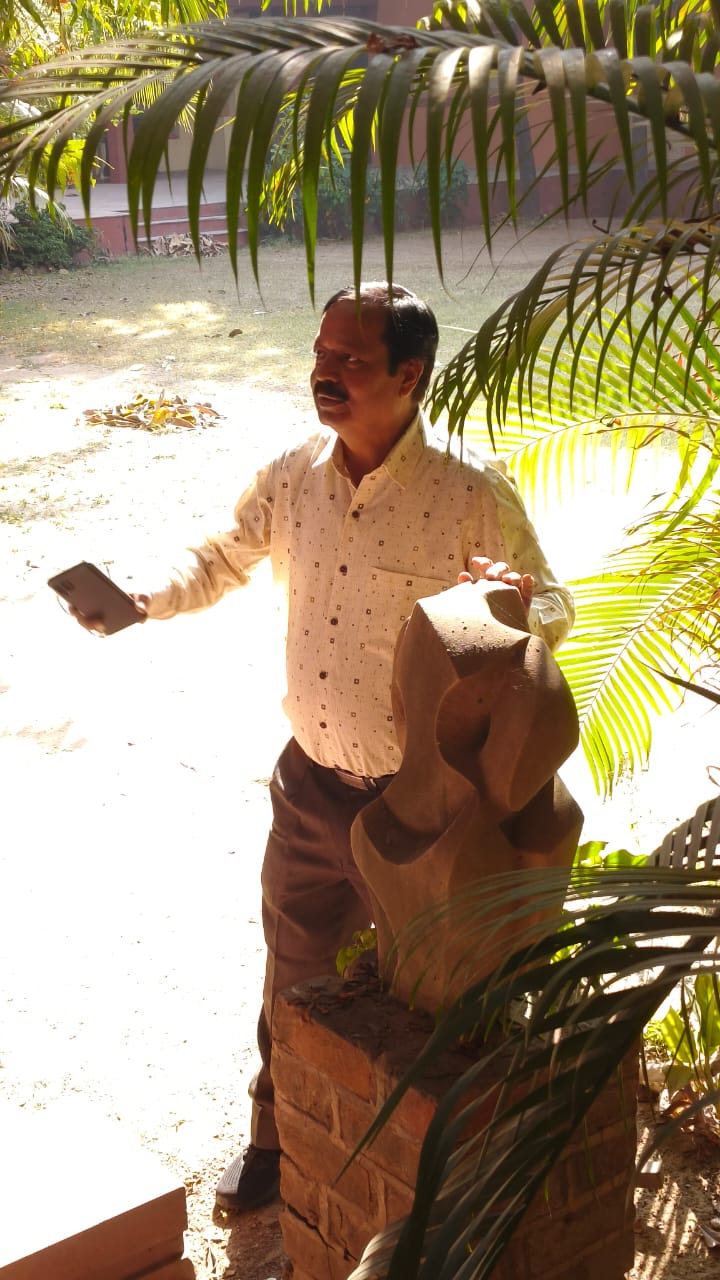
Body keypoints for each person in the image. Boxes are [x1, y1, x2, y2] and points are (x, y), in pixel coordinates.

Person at [73, 282, 574, 1214]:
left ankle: (425, 1179)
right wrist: (144, 598)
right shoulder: (294, 473)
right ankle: (275, 1135)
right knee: (292, 973)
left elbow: (553, 605)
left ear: (408, 376)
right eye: (320, 352)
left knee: (426, 995)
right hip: (306, 788)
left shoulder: (468, 491)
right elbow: (222, 554)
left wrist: (514, 603)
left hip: (416, 812)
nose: (324, 372)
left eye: (350, 358)